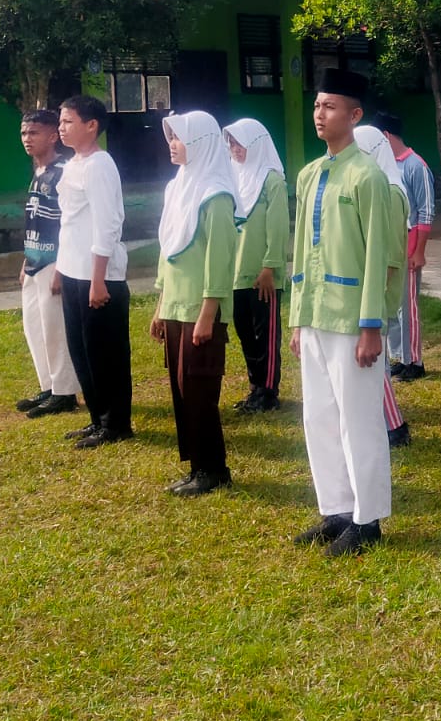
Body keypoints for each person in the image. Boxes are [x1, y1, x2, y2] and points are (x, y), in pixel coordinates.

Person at [288, 69, 393, 557]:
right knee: (320, 417)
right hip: (315, 317)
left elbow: (380, 256)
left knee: (359, 419)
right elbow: (299, 251)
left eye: (330, 107)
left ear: (354, 115)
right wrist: (297, 318)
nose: (320, 114)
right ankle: (337, 508)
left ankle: (368, 519)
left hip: (353, 321)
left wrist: (371, 324)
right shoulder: (310, 174)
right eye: (316, 106)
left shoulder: (368, 176)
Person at [149, 111, 239, 497]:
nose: (172, 143)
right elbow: (166, 249)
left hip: (201, 311)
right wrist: (160, 304)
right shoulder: (178, 187)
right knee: (181, 389)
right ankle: (196, 465)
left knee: (200, 390)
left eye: (179, 137)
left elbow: (219, 260)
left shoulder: (215, 195)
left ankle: (214, 469)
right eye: (170, 136)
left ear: (200, 142)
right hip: (175, 306)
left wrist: (208, 313)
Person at [55, 94, 134, 450]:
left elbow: (108, 223)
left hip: (98, 277)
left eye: (69, 121)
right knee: (82, 350)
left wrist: (98, 278)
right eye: (61, 121)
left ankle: (115, 423)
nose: (62, 127)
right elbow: (69, 224)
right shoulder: (73, 163)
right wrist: (60, 269)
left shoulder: (101, 165)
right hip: (73, 272)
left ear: (92, 126)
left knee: (106, 353)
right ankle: (96, 418)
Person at [15, 109, 81, 419]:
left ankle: (65, 392)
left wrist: (63, 267)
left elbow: (71, 224)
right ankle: (48, 386)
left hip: (54, 262)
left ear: (53, 135)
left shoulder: (64, 172)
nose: (27, 138)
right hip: (33, 261)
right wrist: (25, 259)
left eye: (34, 132)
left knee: (56, 330)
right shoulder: (38, 172)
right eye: (24, 132)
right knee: (35, 328)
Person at [222, 118, 288, 414]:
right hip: (237, 274)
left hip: (264, 274)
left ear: (255, 144)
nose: (234, 149)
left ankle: (269, 391)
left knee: (266, 334)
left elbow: (277, 228)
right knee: (245, 331)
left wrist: (270, 267)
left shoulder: (272, 180)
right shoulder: (232, 178)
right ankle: (255, 387)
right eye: (231, 143)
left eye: (239, 143)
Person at [355, 124, 414, 447]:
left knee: (375, 364)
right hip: (371, 287)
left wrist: (375, 295)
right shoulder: (378, 187)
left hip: (380, 288)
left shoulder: (390, 192)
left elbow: (391, 255)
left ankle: (394, 426)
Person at [380, 112, 435, 381]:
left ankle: (414, 360)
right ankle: (398, 357)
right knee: (391, 306)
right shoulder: (383, 165)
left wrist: (419, 251)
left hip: (410, 248)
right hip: (390, 248)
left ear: (386, 136)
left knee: (407, 307)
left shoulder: (415, 166)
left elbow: (425, 212)